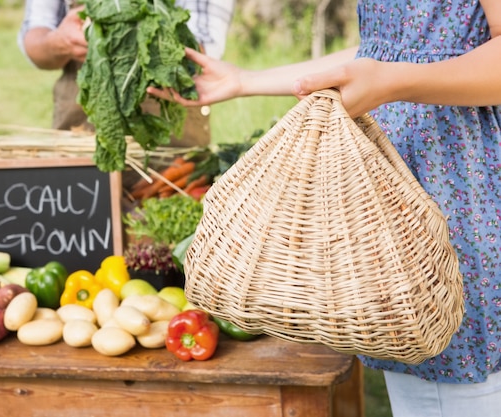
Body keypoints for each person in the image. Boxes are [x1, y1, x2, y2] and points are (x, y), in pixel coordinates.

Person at [147, 1, 501, 416]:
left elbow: (397, 63)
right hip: (410, 177)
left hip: (456, 183)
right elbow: (389, 48)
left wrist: (392, 82)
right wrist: (245, 80)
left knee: (453, 387)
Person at [17, 0, 235, 148]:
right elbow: (36, 36)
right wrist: (60, 41)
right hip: (81, 127)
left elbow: (203, 47)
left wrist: (133, 35)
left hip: (169, 120)